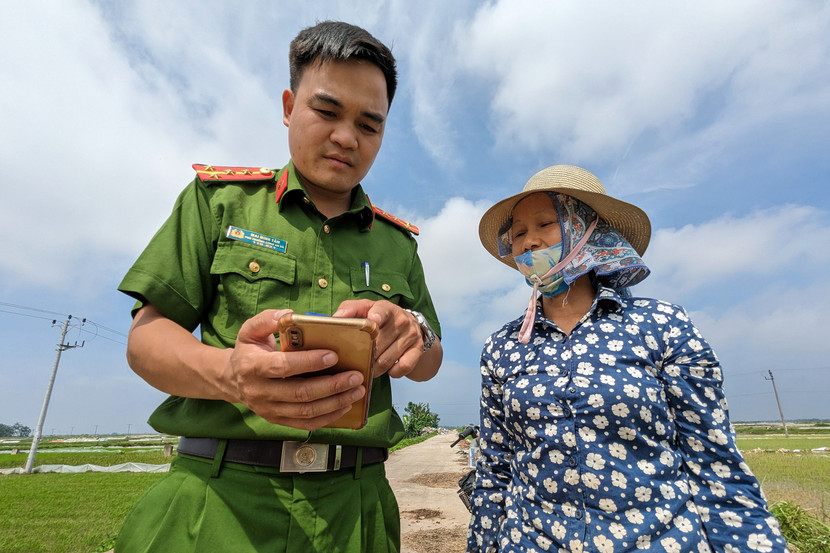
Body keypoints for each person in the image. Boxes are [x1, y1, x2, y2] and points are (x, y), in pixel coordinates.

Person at [116, 21, 442, 553]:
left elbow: (429, 361)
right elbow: (146, 338)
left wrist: (415, 334)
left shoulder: (398, 244)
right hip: (220, 503)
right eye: (327, 111)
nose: (346, 137)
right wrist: (230, 375)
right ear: (289, 106)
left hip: (355, 513)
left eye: (369, 124)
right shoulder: (218, 203)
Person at [467, 165, 788, 553]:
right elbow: (495, 468)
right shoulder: (502, 347)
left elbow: (713, 461)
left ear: (586, 230)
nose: (529, 242)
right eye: (519, 233)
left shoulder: (661, 326)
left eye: (545, 225)